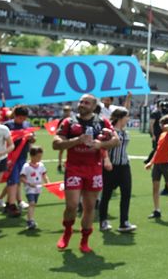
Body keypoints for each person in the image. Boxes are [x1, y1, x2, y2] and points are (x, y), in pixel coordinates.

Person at [53, 94, 119, 253]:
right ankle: (67, 231)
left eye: (86, 103)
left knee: (90, 207)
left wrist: (100, 144)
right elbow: (56, 144)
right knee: (72, 205)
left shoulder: (102, 122)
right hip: (74, 168)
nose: (81, 104)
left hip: (94, 169)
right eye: (81, 102)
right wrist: (77, 140)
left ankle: (84, 240)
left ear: (93, 105)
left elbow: (116, 141)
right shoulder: (68, 122)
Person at [99, 106, 137, 233]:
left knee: (126, 194)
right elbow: (103, 146)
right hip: (111, 166)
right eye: (126, 116)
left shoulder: (125, 132)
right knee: (106, 195)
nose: (128, 118)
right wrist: (106, 160)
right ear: (120, 117)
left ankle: (124, 222)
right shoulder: (109, 131)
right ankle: (103, 220)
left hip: (124, 166)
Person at [2, 106, 34, 217]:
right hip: (10, 156)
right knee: (13, 179)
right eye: (20, 118)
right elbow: (1, 140)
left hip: (23, 155)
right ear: (15, 115)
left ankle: (8, 203)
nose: (22, 120)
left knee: (17, 179)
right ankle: (12, 205)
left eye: (24, 118)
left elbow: (32, 139)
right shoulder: (7, 126)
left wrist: (31, 139)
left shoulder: (27, 125)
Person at [20, 145, 50, 230]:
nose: (40, 158)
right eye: (38, 156)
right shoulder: (26, 166)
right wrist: (28, 183)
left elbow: (44, 175)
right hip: (30, 189)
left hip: (38, 189)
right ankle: (30, 221)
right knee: (32, 203)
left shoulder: (41, 165)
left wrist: (48, 183)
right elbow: (22, 178)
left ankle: (30, 218)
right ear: (32, 156)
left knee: (33, 204)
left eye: (41, 156)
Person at [57, 104, 73, 174]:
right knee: (61, 151)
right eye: (65, 111)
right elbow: (58, 130)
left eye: (68, 111)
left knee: (70, 152)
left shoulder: (73, 119)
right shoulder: (61, 120)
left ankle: (67, 164)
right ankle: (59, 164)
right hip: (63, 138)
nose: (67, 112)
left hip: (70, 138)